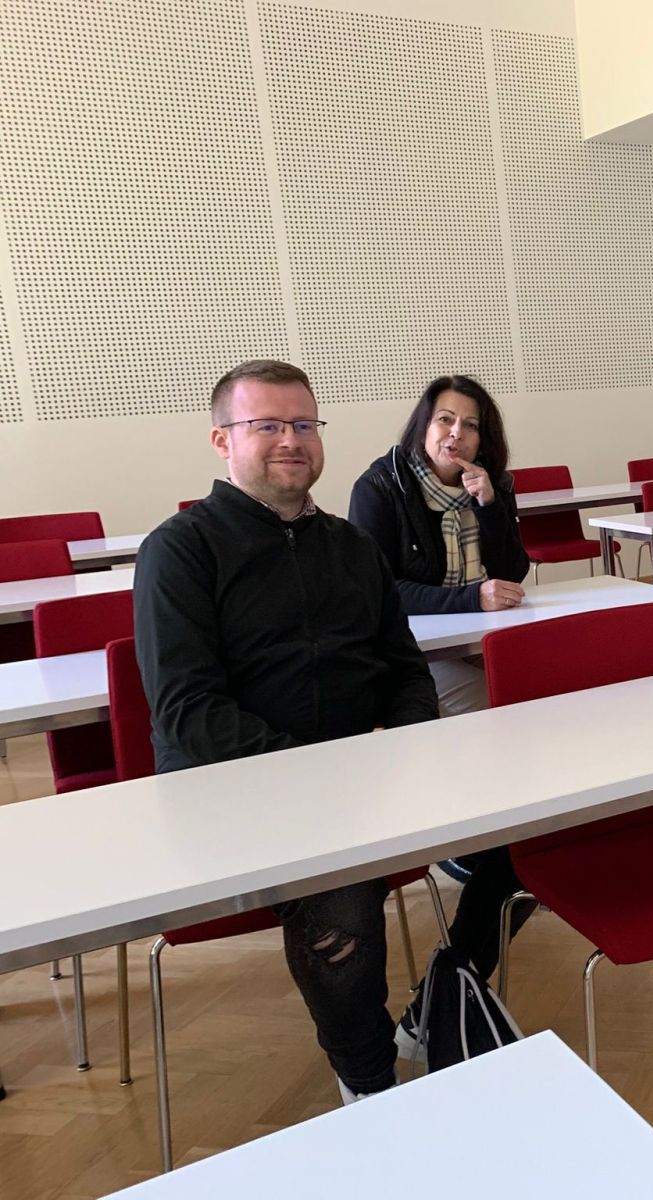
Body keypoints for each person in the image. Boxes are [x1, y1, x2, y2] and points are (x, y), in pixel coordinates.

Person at [133, 360, 437, 1104]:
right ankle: (370, 1084)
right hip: (230, 791)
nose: (290, 440)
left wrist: (413, 749)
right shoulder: (180, 550)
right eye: (266, 424)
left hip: (354, 778)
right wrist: (321, 777)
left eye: (303, 424)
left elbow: (405, 672)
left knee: (518, 832)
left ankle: (438, 1003)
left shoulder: (353, 547)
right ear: (222, 440)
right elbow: (187, 710)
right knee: (342, 896)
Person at [347, 375, 530, 716]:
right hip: (408, 649)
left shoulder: (492, 482)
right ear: (424, 427)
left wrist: (488, 507)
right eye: (445, 419)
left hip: (478, 633)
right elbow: (376, 591)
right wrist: (472, 598)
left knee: (552, 678)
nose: (457, 433)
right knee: (501, 703)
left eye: (471, 425)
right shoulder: (380, 487)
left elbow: (513, 573)